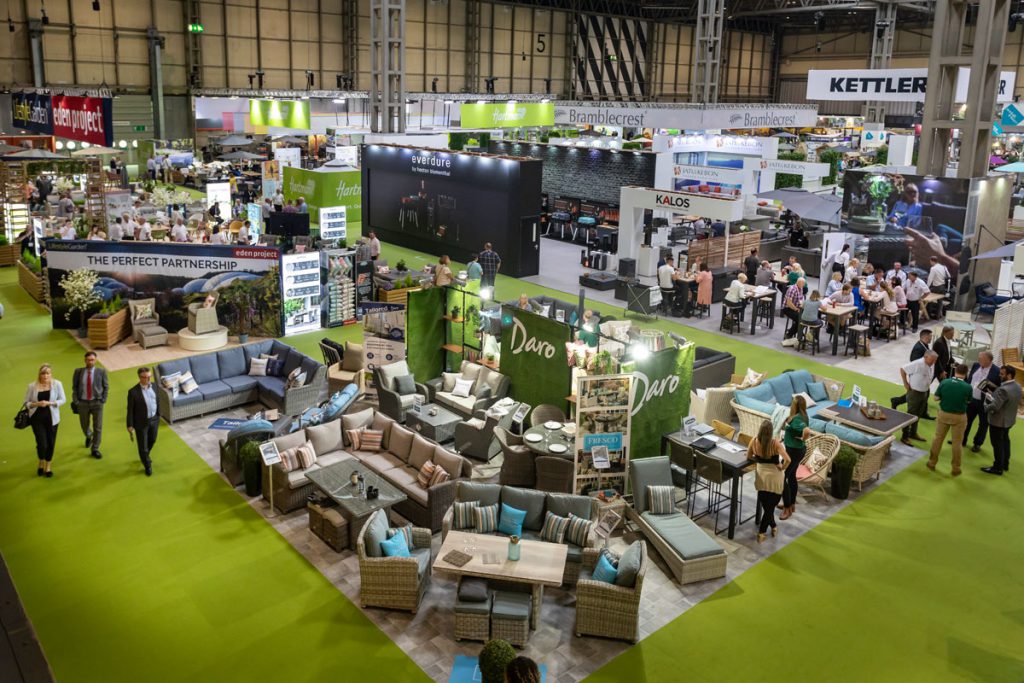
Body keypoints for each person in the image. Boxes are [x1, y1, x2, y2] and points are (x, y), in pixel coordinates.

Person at [748, 419, 790, 543]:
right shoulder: (775, 443)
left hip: (761, 477)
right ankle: (761, 533)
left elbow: (748, 456)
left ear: (760, 430)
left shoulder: (754, 440)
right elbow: (788, 460)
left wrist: (759, 460)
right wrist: (782, 467)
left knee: (767, 507)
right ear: (771, 432)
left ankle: (773, 526)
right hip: (775, 478)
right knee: (770, 507)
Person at [927, 363, 972, 476]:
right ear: (966, 373)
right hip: (959, 417)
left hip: (943, 414)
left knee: (938, 439)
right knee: (957, 443)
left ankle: (932, 463)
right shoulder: (968, 387)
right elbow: (968, 401)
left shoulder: (945, 382)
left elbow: (935, 398)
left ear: (955, 371)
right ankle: (956, 468)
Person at [25, 363, 66, 478]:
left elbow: (63, 399)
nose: (45, 376)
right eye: (43, 373)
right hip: (36, 419)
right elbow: (26, 402)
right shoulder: (32, 386)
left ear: (51, 374)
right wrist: (37, 404)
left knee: (51, 443)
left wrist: (50, 403)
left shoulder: (57, 384)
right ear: (39, 374)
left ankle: (48, 465)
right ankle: (41, 461)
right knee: (42, 443)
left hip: (52, 419)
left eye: (48, 373)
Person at [982, 365, 1021, 475]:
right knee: (1005, 442)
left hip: (998, 422)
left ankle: (997, 468)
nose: (999, 375)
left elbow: (995, 406)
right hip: (1009, 420)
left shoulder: (1003, 389)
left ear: (1009, 375)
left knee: (997, 444)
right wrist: (994, 395)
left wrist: (985, 405)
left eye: (1002, 374)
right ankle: (1005, 464)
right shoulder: (1017, 386)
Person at [72, 351, 108, 460]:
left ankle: (95, 449)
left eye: (92, 360)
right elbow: (74, 387)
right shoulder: (78, 372)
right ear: (85, 360)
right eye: (88, 360)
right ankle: (88, 435)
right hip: (82, 403)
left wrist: (103, 400)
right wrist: (76, 401)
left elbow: (106, 386)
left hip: (97, 403)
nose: (90, 362)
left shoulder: (101, 372)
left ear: (95, 360)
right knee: (84, 425)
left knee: (98, 427)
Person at [964, 351, 1000, 453]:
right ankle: (962, 439)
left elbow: (999, 388)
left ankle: (977, 444)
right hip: (971, 399)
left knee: (983, 424)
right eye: (979, 358)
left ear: (989, 360)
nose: (979, 360)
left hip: (984, 402)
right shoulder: (976, 365)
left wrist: (992, 391)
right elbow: (969, 380)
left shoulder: (997, 371)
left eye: (981, 358)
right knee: (966, 421)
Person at [126, 366, 160, 476]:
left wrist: (159, 414)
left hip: (154, 419)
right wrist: (129, 425)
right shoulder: (133, 392)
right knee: (143, 446)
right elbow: (130, 410)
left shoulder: (155, 386)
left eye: (150, 376)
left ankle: (144, 455)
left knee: (152, 440)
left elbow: (158, 400)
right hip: (141, 423)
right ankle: (147, 464)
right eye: (146, 377)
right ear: (140, 377)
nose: (149, 379)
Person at [900, 350, 938, 446]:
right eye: (932, 360)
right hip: (915, 393)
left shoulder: (931, 364)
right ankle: (904, 436)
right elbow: (903, 369)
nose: (933, 363)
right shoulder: (917, 363)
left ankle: (913, 433)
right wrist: (905, 383)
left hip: (924, 392)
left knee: (918, 414)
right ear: (925, 357)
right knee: (910, 415)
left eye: (935, 360)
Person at [780, 396, 809, 520]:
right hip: (797, 450)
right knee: (791, 476)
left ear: (795, 405)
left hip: (793, 452)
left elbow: (807, 431)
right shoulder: (803, 416)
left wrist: (803, 438)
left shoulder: (797, 419)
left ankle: (787, 508)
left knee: (781, 477)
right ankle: (791, 505)